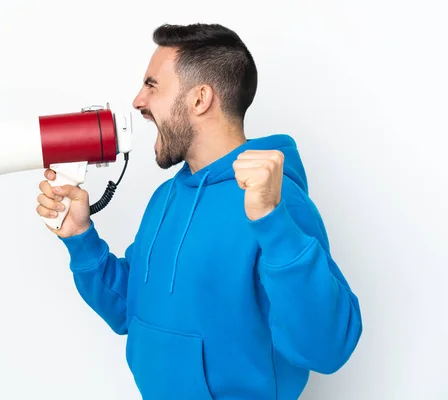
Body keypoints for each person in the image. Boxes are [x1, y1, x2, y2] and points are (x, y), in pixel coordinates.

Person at [36, 22, 362, 400]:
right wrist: (81, 239)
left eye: (152, 85)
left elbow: (327, 348)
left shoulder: (276, 200)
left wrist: (273, 222)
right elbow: (129, 309)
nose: (138, 101)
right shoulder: (165, 197)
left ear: (199, 99)